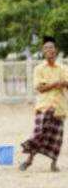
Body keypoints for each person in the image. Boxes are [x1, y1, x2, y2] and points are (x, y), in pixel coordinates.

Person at [20, 36, 68, 172]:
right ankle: (29, 161)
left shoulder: (63, 68)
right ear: (43, 51)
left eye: (51, 47)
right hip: (43, 106)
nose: (49, 50)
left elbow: (66, 83)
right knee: (39, 134)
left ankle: (54, 164)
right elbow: (39, 87)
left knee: (57, 137)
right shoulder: (39, 68)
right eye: (46, 48)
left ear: (56, 50)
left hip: (59, 107)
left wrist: (60, 83)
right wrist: (55, 84)